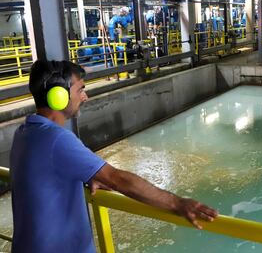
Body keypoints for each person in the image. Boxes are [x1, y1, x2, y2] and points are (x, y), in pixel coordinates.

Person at [10, 60, 218, 253]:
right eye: (80, 89)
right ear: (59, 96)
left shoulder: (25, 133)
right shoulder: (57, 139)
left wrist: (88, 174)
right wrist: (177, 203)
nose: (85, 97)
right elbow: (118, 179)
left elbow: (48, 172)